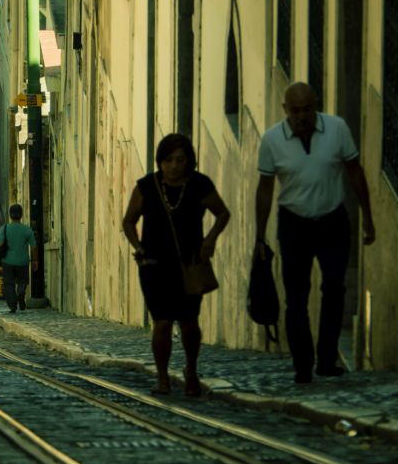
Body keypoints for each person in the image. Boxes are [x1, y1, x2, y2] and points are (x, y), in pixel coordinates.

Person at [255, 82, 375, 384]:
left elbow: (355, 171)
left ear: (315, 105)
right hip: (293, 223)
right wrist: (260, 235)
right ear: (285, 110)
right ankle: (303, 364)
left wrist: (368, 218)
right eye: (295, 110)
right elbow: (265, 189)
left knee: (334, 289)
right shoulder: (271, 140)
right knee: (296, 297)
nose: (301, 116)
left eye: (307, 109)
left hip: (333, 220)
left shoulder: (337, 129)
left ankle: (326, 359)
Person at [122, 134, 230, 397]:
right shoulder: (147, 186)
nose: (174, 166)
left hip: (189, 264)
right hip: (154, 265)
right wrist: (138, 246)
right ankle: (162, 378)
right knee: (162, 322)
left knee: (189, 322)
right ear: (160, 161)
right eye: (168, 160)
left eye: (180, 160)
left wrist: (210, 240)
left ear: (188, 161)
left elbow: (222, 213)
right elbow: (128, 221)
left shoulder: (199, 184)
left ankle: (191, 370)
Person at [0, 203, 38, 313]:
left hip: (7, 261)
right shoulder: (27, 230)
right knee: (23, 280)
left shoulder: (5, 228)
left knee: (9, 284)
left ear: (10, 215)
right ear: (21, 215)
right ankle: (21, 291)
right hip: (23, 261)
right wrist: (35, 261)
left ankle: (13, 306)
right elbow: (34, 247)